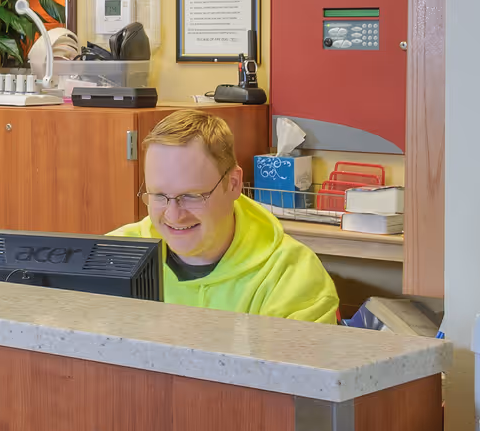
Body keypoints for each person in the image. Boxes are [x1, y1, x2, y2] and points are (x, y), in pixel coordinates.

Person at [109, 109, 338, 322]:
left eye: (191, 195)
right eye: (158, 195)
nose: (174, 215)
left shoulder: (292, 278)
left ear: (234, 184)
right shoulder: (113, 256)